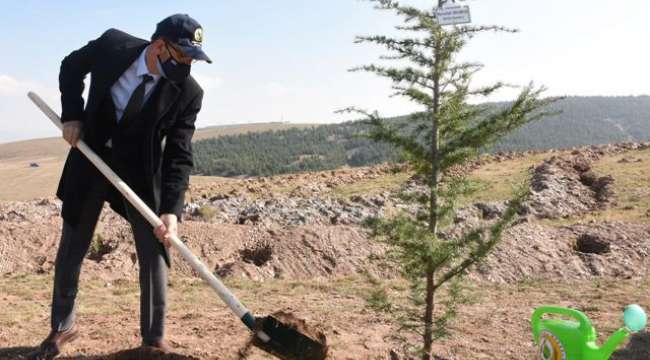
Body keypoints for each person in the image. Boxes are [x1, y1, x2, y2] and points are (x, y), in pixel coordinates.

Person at [28, 14, 211, 359]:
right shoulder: (113, 46)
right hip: (90, 157)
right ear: (160, 46)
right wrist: (72, 114)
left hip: (140, 175)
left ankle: (153, 339)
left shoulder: (188, 93)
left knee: (156, 251)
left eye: (193, 59)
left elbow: (178, 154)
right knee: (72, 245)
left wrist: (171, 210)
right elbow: (71, 67)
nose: (188, 65)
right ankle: (62, 328)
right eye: (184, 56)